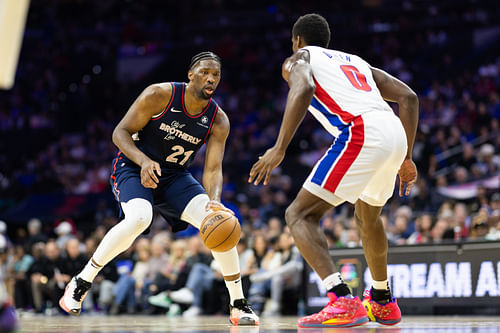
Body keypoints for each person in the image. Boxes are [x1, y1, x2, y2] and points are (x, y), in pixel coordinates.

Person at [59, 51, 258, 325]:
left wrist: (214, 199)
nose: (211, 78)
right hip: (132, 167)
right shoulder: (159, 95)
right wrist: (142, 160)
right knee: (140, 217)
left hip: (175, 176)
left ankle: (239, 304)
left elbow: (212, 168)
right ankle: (82, 281)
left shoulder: (218, 120)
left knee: (219, 222)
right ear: (190, 75)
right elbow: (120, 132)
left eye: (216, 75)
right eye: (205, 72)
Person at [249, 14, 418, 328]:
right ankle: (382, 300)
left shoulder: (298, 58)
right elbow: (408, 97)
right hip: (393, 131)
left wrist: (280, 147)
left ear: (297, 40)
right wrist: (407, 156)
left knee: (298, 215)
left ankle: (342, 299)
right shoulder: (356, 61)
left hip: (362, 130)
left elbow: (303, 89)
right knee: (368, 217)